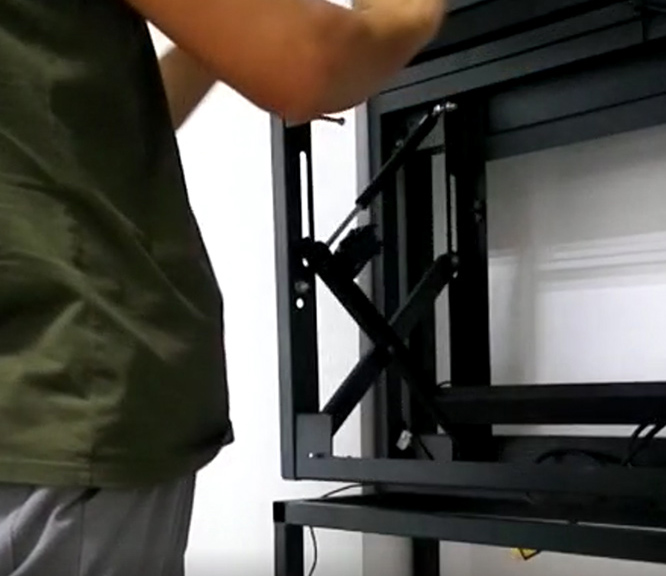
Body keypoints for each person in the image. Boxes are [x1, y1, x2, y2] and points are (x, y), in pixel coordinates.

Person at [0, 0, 445, 573]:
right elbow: (311, 61)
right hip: (63, 405)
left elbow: (72, 126)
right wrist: (415, 12)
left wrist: (214, 43)